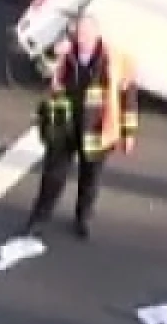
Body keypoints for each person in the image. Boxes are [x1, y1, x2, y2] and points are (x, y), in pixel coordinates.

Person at [23, 16, 139, 239]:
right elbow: (43, 70)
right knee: (52, 175)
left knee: (90, 177)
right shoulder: (65, 53)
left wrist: (129, 132)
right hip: (64, 123)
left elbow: (129, 96)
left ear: (97, 35)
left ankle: (83, 218)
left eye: (86, 35)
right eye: (79, 35)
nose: (82, 39)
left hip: (97, 126)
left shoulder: (115, 58)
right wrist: (54, 53)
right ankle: (38, 219)